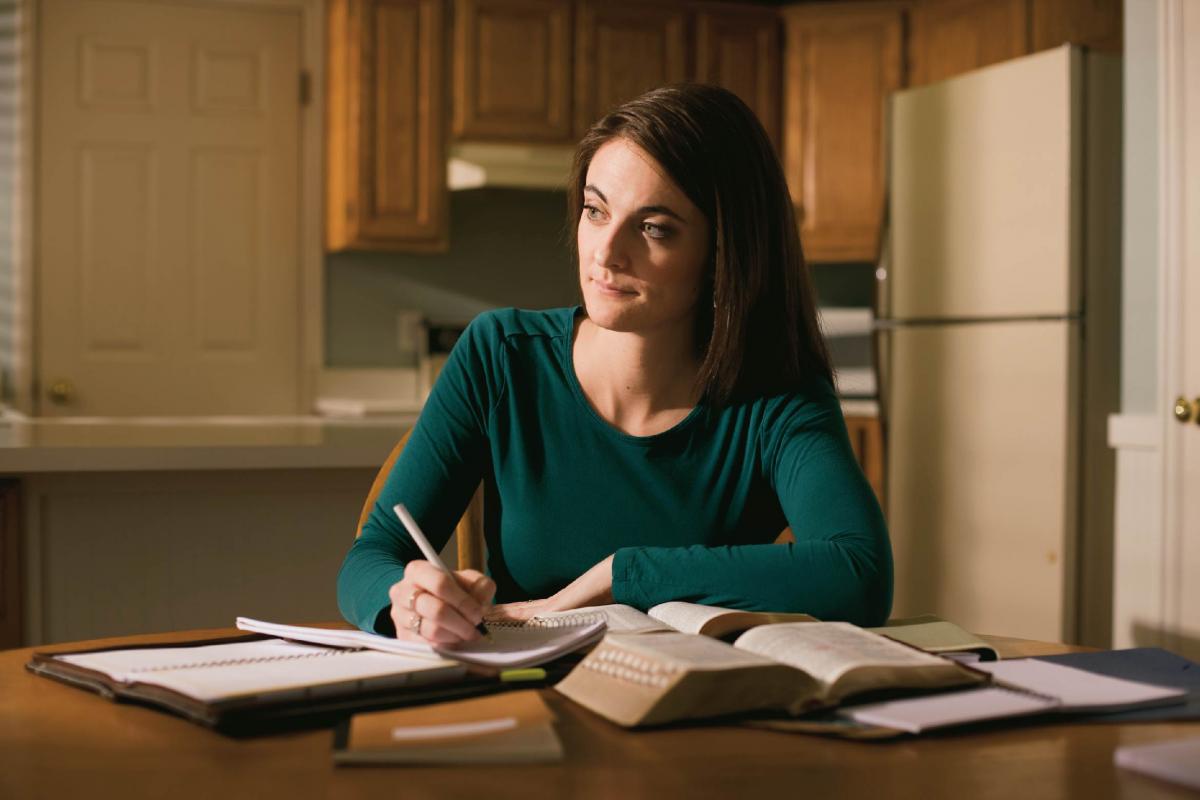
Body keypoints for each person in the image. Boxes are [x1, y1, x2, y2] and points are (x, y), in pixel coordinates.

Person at [337, 84, 892, 647]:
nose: (605, 252)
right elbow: (374, 554)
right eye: (596, 211)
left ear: (725, 252)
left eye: (653, 228)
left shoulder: (778, 394)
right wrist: (405, 604)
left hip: (697, 708)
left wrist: (622, 574)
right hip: (532, 691)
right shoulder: (501, 354)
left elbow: (860, 574)